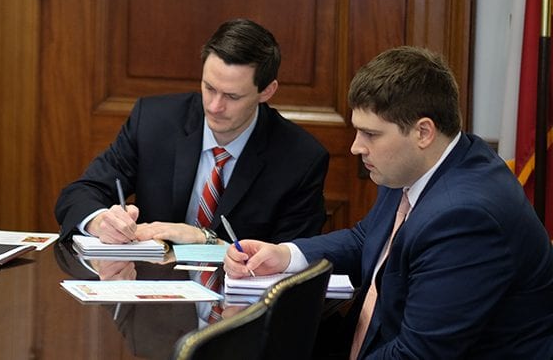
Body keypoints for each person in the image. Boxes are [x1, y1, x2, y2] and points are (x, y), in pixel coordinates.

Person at [224, 46, 553, 358]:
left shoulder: (467, 218)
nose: (356, 147)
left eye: (371, 134)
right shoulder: (418, 164)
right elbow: (367, 239)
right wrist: (286, 255)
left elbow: (418, 354)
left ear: (423, 132)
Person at [54, 18, 329, 245]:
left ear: (267, 91)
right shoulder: (154, 121)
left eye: (232, 96)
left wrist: (206, 240)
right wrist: (101, 221)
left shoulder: (300, 158)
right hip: (154, 285)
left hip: (240, 293)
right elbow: (79, 193)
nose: (214, 106)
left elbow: (295, 257)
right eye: (209, 88)